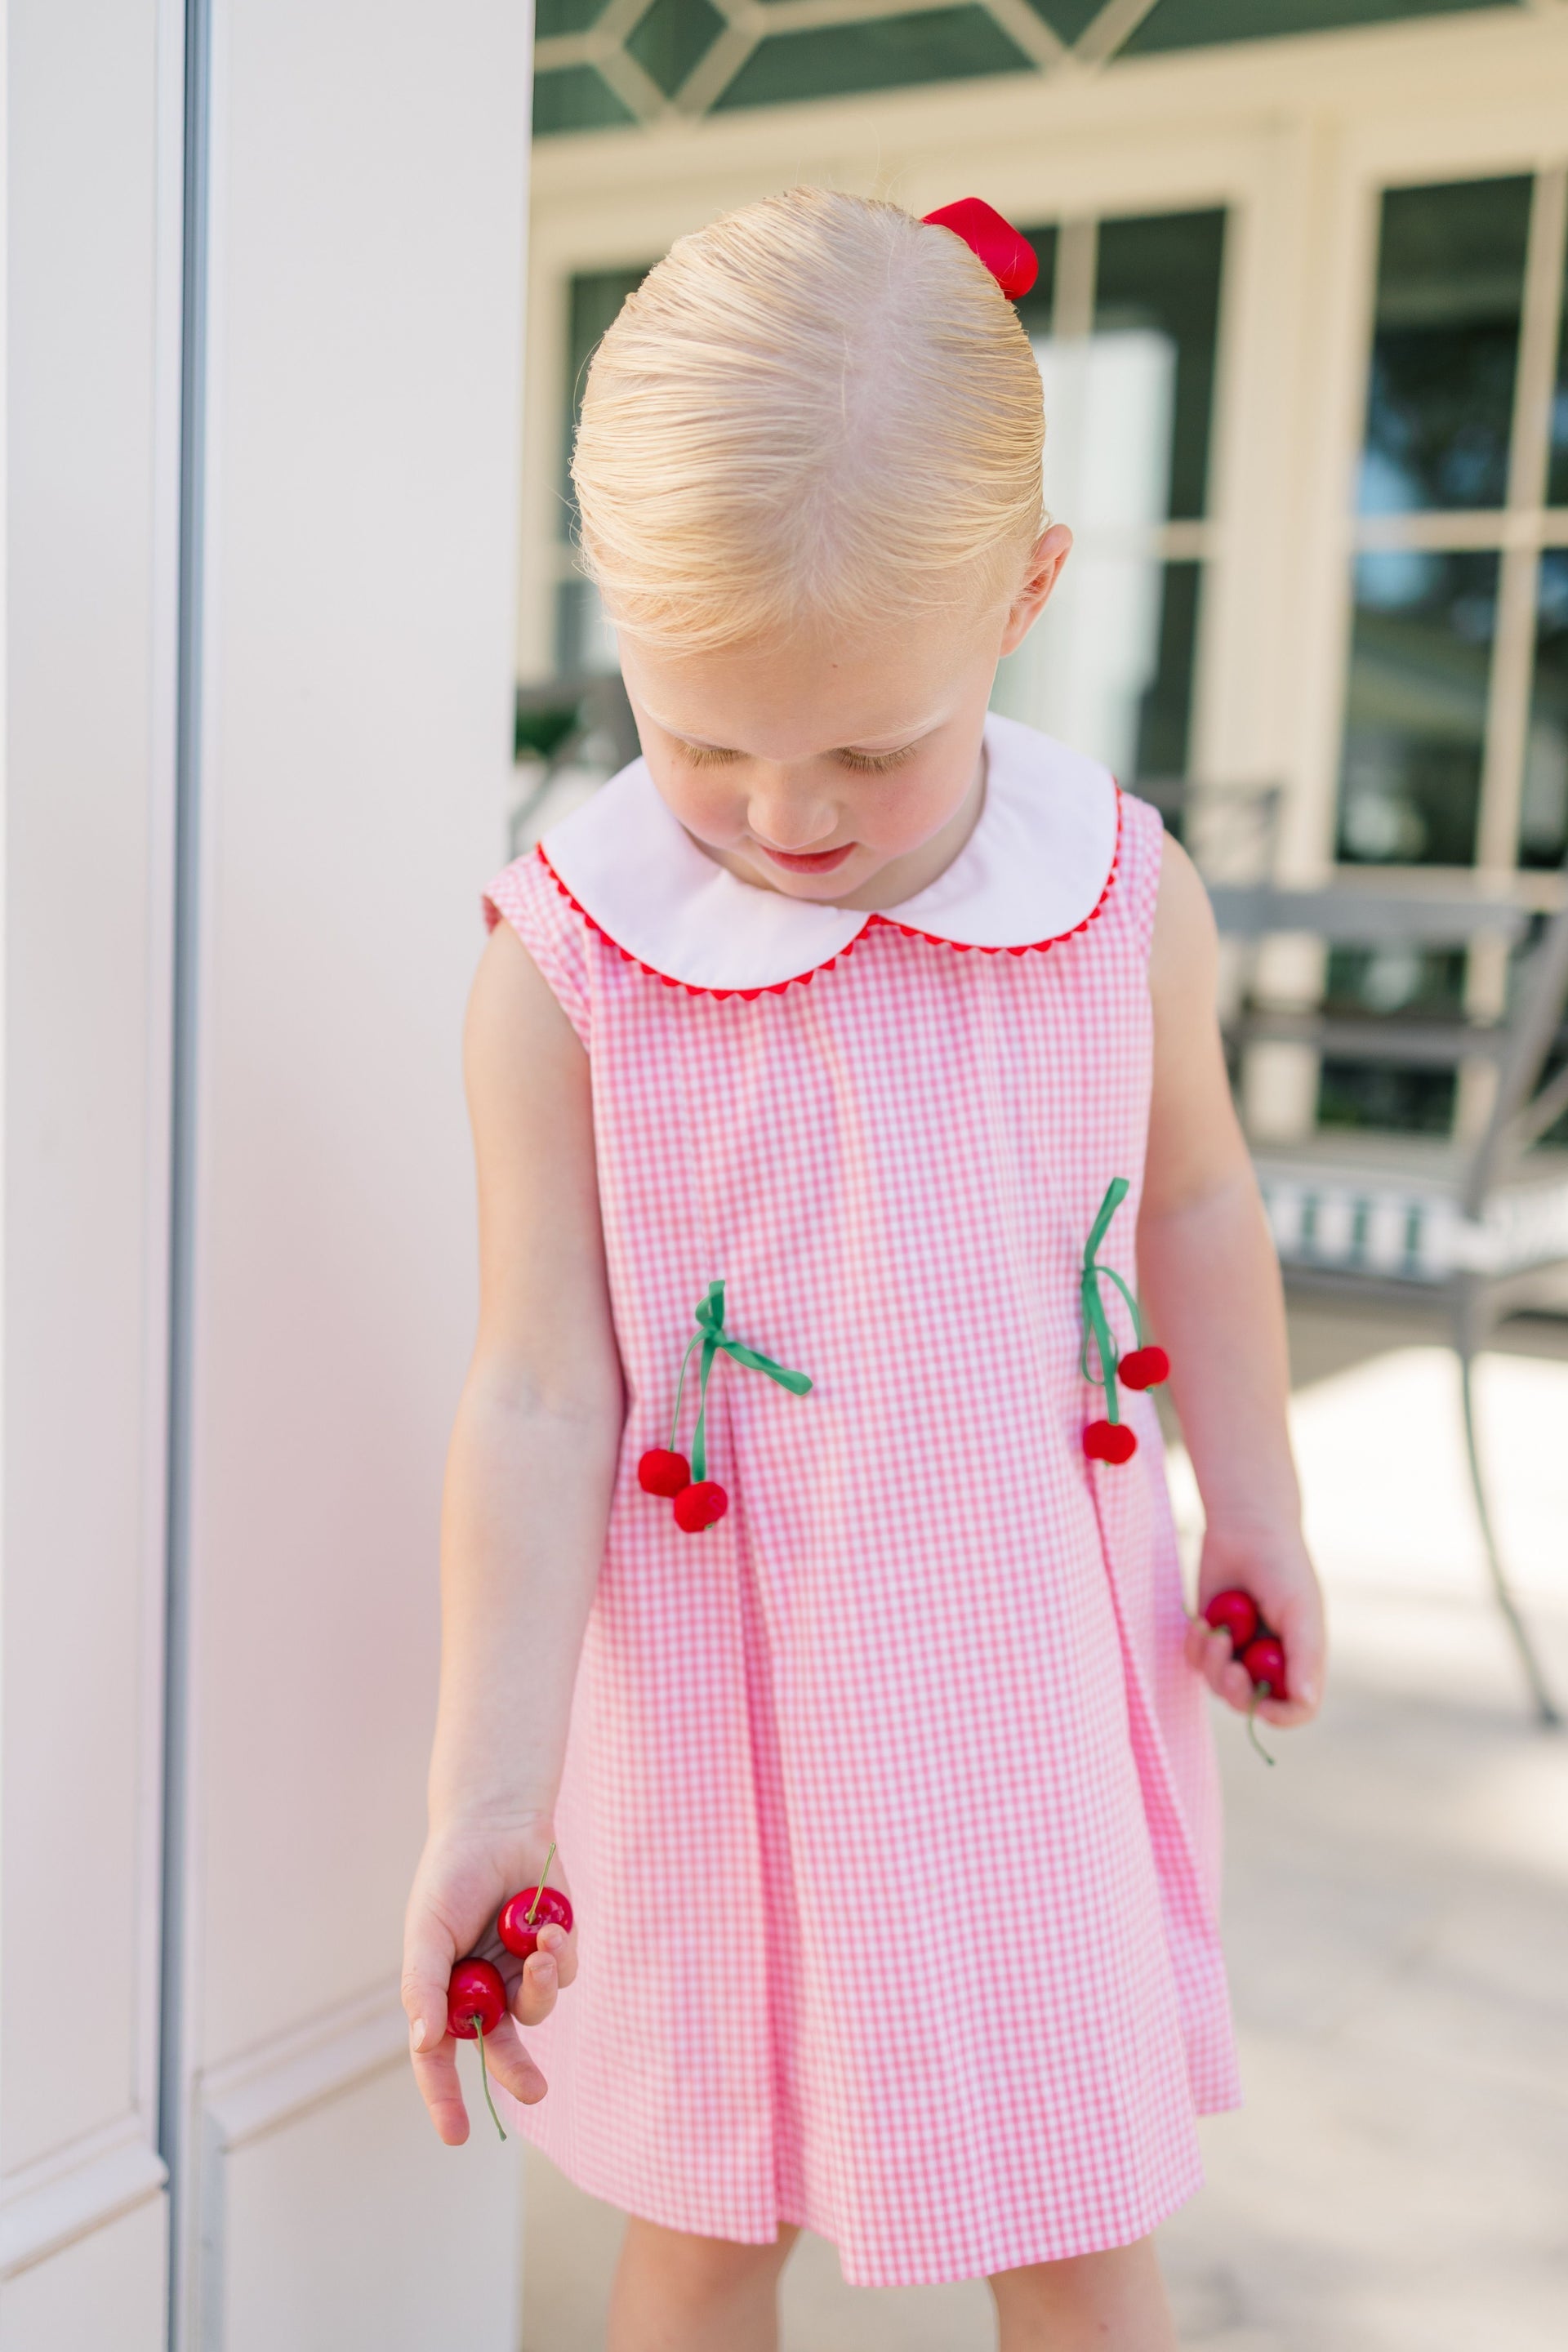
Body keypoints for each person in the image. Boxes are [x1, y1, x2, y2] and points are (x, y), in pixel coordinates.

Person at [401, 188, 1325, 2352]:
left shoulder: (1115, 898)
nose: (787, 817)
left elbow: (1193, 1199)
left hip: (1026, 1675)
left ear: (1026, 592)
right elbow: (540, 1390)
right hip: (721, 1708)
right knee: (711, 2222)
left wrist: (1256, 1510)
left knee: (1078, 2207)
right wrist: (486, 1794)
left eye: (869, 748)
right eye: (704, 740)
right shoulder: (570, 976)